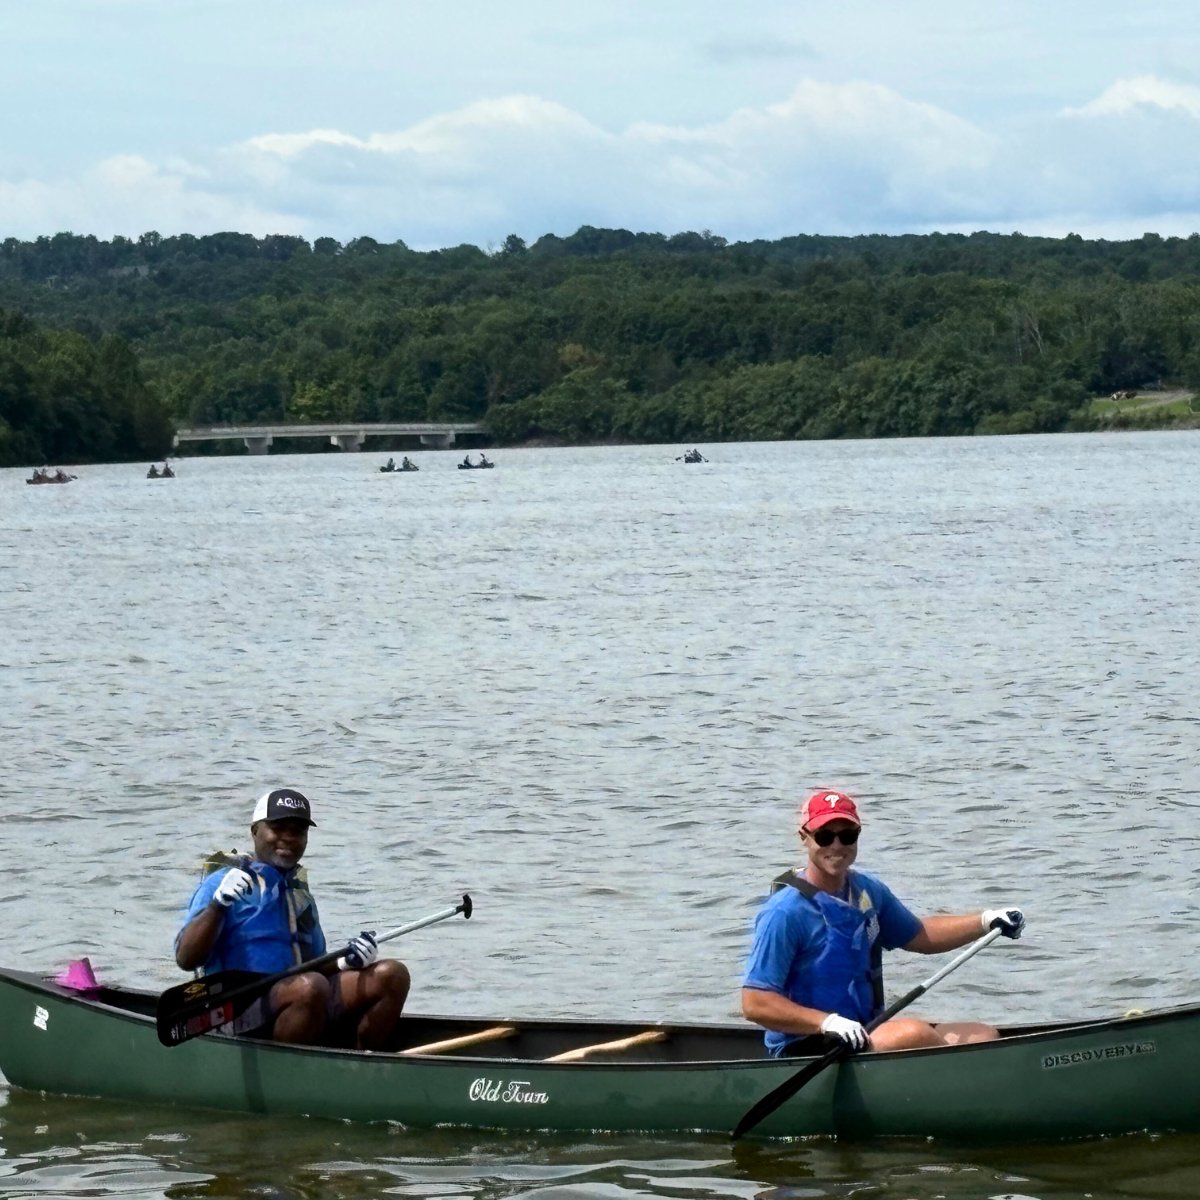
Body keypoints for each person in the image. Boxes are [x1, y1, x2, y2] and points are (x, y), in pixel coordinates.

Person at [742, 789, 1025, 1056]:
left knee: (982, 1035)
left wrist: (986, 921)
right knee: (913, 1034)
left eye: (848, 835)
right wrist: (826, 1022)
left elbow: (920, 935)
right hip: (809, 1043)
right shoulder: (784, 913)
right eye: (825, 836)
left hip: (863, 1031)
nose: (837, 846)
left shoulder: (867, 890)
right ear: (805, 837)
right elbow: (755, 1002)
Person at [174, 787, 411, 1048]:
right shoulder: (221, 883)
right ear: (255, 831)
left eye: (297, 831)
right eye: (277, 828)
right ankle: (288, 1073)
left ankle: (360, 1064)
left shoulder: (299, 895)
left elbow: (315, 967)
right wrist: (219, 904)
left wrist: (346, 961)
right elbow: (186, 958)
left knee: (392, 975)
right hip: (234, 1010)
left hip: (302, 996)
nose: (287, 838)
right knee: (310, 987)